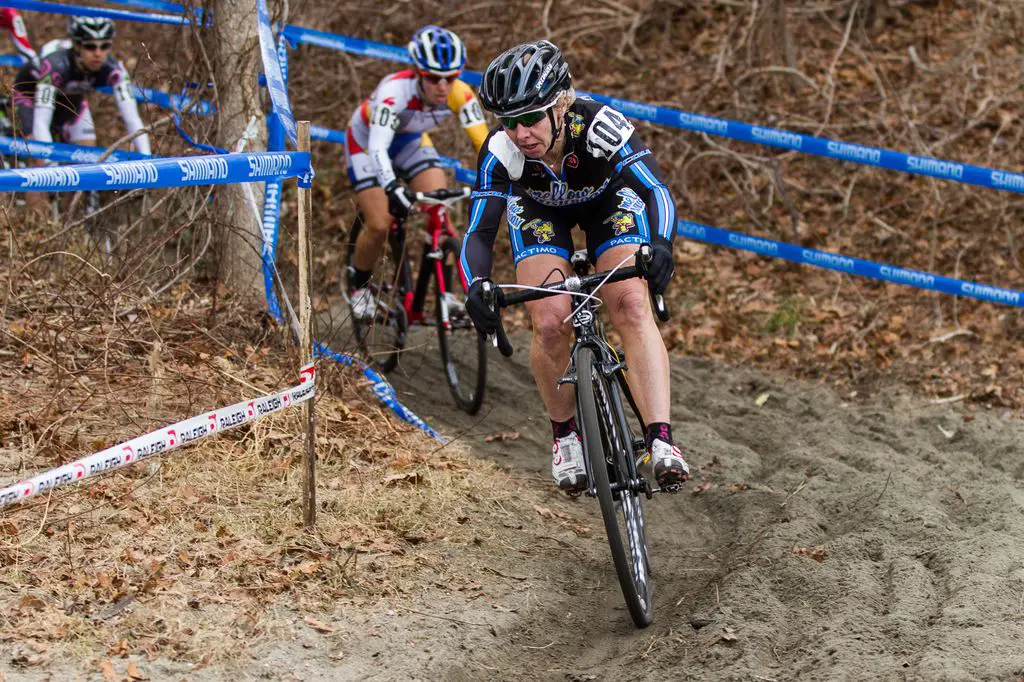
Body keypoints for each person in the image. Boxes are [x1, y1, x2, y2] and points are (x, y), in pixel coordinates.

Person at [459, 40, 689, 493]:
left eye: (530, 117)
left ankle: (660, 438)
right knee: (548, 321)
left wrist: (661, 245)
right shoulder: (501, 150)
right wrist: (476, 286)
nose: (521, 132)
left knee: (630, 304)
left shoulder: (599, 125)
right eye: (509, 121)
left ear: (560, 104)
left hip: (608, 204)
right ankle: (565, 436)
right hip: (540, 213)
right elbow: (479, 232)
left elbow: (655, 190)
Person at [344, 25, 488, 319]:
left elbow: (484, 146)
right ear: (417, 73)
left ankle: (444, 294)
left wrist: (502, 181)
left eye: (451, 77)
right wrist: (391, 187)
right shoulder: (393, 93)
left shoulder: (461, 95)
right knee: (381, 223)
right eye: (434, 78)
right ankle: (358, 286)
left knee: (440, 208)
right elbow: (378, 149)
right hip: (366, 143)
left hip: (410, 141)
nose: (443, 86)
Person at [12, 16, 151, 156]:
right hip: (30, 95)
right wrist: (49, 165)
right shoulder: (56, 65)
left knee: (87, 154)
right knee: (35, 151)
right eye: (90, 46)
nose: (98, 53)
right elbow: (41, 123)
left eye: (105, 46)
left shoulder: (114, 70)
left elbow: (132, 119)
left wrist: (147, 159)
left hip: (71, 98)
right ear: (77, 45)